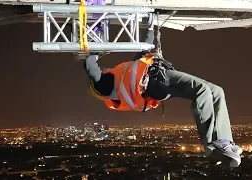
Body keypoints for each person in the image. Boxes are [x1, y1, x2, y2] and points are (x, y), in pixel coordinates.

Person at [83, 13, 243, 168]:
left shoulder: (122, 75)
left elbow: (144, 49)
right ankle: (211, 145)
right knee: (201, 90)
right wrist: (91, 42)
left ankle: (224, 141)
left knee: (216, 91)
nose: (105, 68)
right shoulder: (105, 86)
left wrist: (152, 26)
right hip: (156, 80)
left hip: (158, 83)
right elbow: (91, 68)